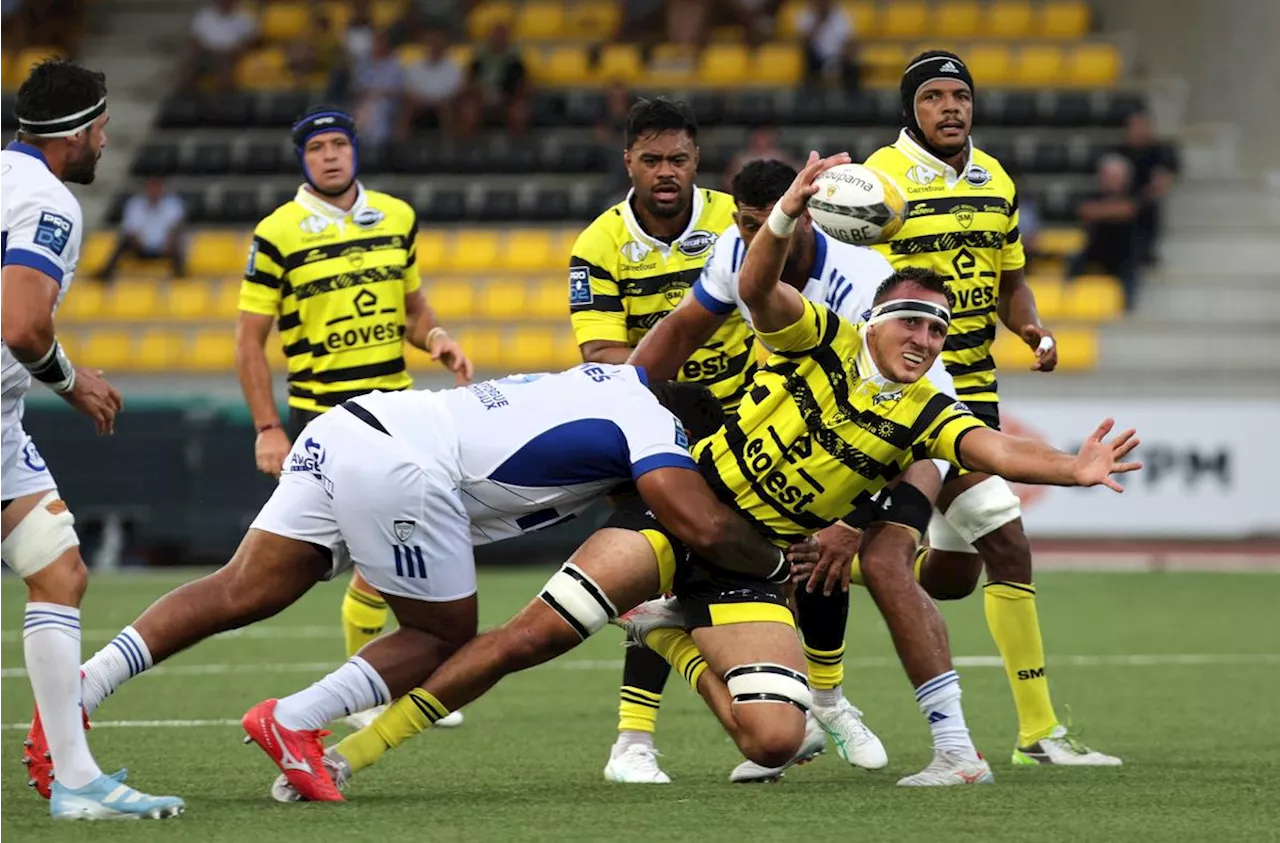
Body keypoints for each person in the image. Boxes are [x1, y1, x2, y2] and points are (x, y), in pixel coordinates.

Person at [290, 157, 1141, 797]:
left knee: (772, 740)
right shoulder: (822, 335)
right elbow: (758, 287)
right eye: (912, 321)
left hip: (752, 560)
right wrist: (782, 220)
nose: (925, 338)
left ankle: (667, 632)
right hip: (688, 512)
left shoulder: (929, 412)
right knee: (527, 639)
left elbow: (991, 451)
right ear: (877, 321)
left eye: (939, 329)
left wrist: (1073, 465)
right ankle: (344, 755)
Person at [32, 368, 803, 803]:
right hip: (404, 463)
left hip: (348, 427)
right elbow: (697, 522)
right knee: (442, 632)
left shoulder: (604, 380)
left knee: (241, 588)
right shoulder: (657, 426)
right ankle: (295, 720)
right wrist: (772, 564)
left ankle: (74, 697)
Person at [629, 156, 951, 782]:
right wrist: (614, 390)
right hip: (791, 416)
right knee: (676, 506)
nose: (753, 238)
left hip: (914, 432)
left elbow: (896, 411)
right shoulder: (737, 250)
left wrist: (857, 520)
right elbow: (682, 329)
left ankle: (849, 707)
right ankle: (639, 733)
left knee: (870, 553)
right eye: (745, 225)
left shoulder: (860, 282)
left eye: (765, 225)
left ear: (807, 218)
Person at [862, 50, 1122, 765]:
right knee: (1009, 543)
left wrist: (1031, 327)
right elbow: (850, 287)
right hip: (914, 394)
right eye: (935, 97)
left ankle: (849, 560)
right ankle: (1039, 733)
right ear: (910, 108)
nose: (951, 108)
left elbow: (1012, 281)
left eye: (961, 96)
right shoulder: (878, 180)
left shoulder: (995, 177)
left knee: (951, 576)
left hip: (979, 389)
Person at [231, 105, 472, 729]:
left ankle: (374, 687)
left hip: (395, 410)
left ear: (355, 149)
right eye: (318, 148)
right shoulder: (277, 232)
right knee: (334, 560)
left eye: (340, 144)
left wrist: (437, 337)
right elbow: (247, 341)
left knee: (390, 549)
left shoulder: (397, 217)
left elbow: (413, 310)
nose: (331, 155)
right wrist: (266, 427)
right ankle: (370, 687)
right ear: (303, 160)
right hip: (321, 416)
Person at [4, 58, 183, 821]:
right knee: (58, 568)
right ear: (73, 134)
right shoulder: (47, 200)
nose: (107, 140)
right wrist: (72, 381)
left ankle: (76, 778)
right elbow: (19, 322)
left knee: (59, 567)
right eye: (101, 126)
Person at [569, 96, 761, 784]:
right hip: (654, 432)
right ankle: (633, 741)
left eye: (677, 158)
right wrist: (684, 400)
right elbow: (603, 357)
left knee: (773, 567)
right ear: (629, 163)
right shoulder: (598, 244)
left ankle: (805, 701)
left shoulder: (733, 222)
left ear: (696, 159)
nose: (665, 172)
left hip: (748, 424)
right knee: (662, 568)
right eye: (651, 159)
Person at [1068, 154, 1140, 309]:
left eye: (1115, 176)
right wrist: (1112, 211)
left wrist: (1101, 211)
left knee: (1130, 275)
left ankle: (1128, 308)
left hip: (1122, 256)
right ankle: (1067, 301)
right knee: (1072, 262)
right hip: (1095, 251)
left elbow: (1127, 210)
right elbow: (1085, 211)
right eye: (1107, 176)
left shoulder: (1134, 195)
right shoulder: (1093, 195)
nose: (1111, 180)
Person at [96, 176, 186, 281]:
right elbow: (131, 229)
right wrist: (140, 244)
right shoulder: (135, 204)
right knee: (124, 241)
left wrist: (168, 244)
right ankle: (105, 274)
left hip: (165, 248)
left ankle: (180, 279)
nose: (154, 192)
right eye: (151, 188)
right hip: (140, 246)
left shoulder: (173, 205)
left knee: (178, 242)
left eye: (157, 188)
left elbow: (175, 228)